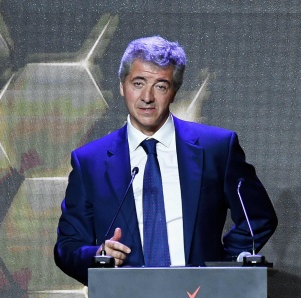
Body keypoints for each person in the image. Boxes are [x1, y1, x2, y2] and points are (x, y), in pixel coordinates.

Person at [54, 36, 277, 285]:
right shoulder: (89, 162)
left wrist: (220, 264)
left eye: (160, 86)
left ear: (174, 92)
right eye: (138, 83)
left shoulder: (217, 148)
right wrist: (99, 256)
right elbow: (67, 246)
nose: (147, 97)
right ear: (122, 86)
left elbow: (258, 217)